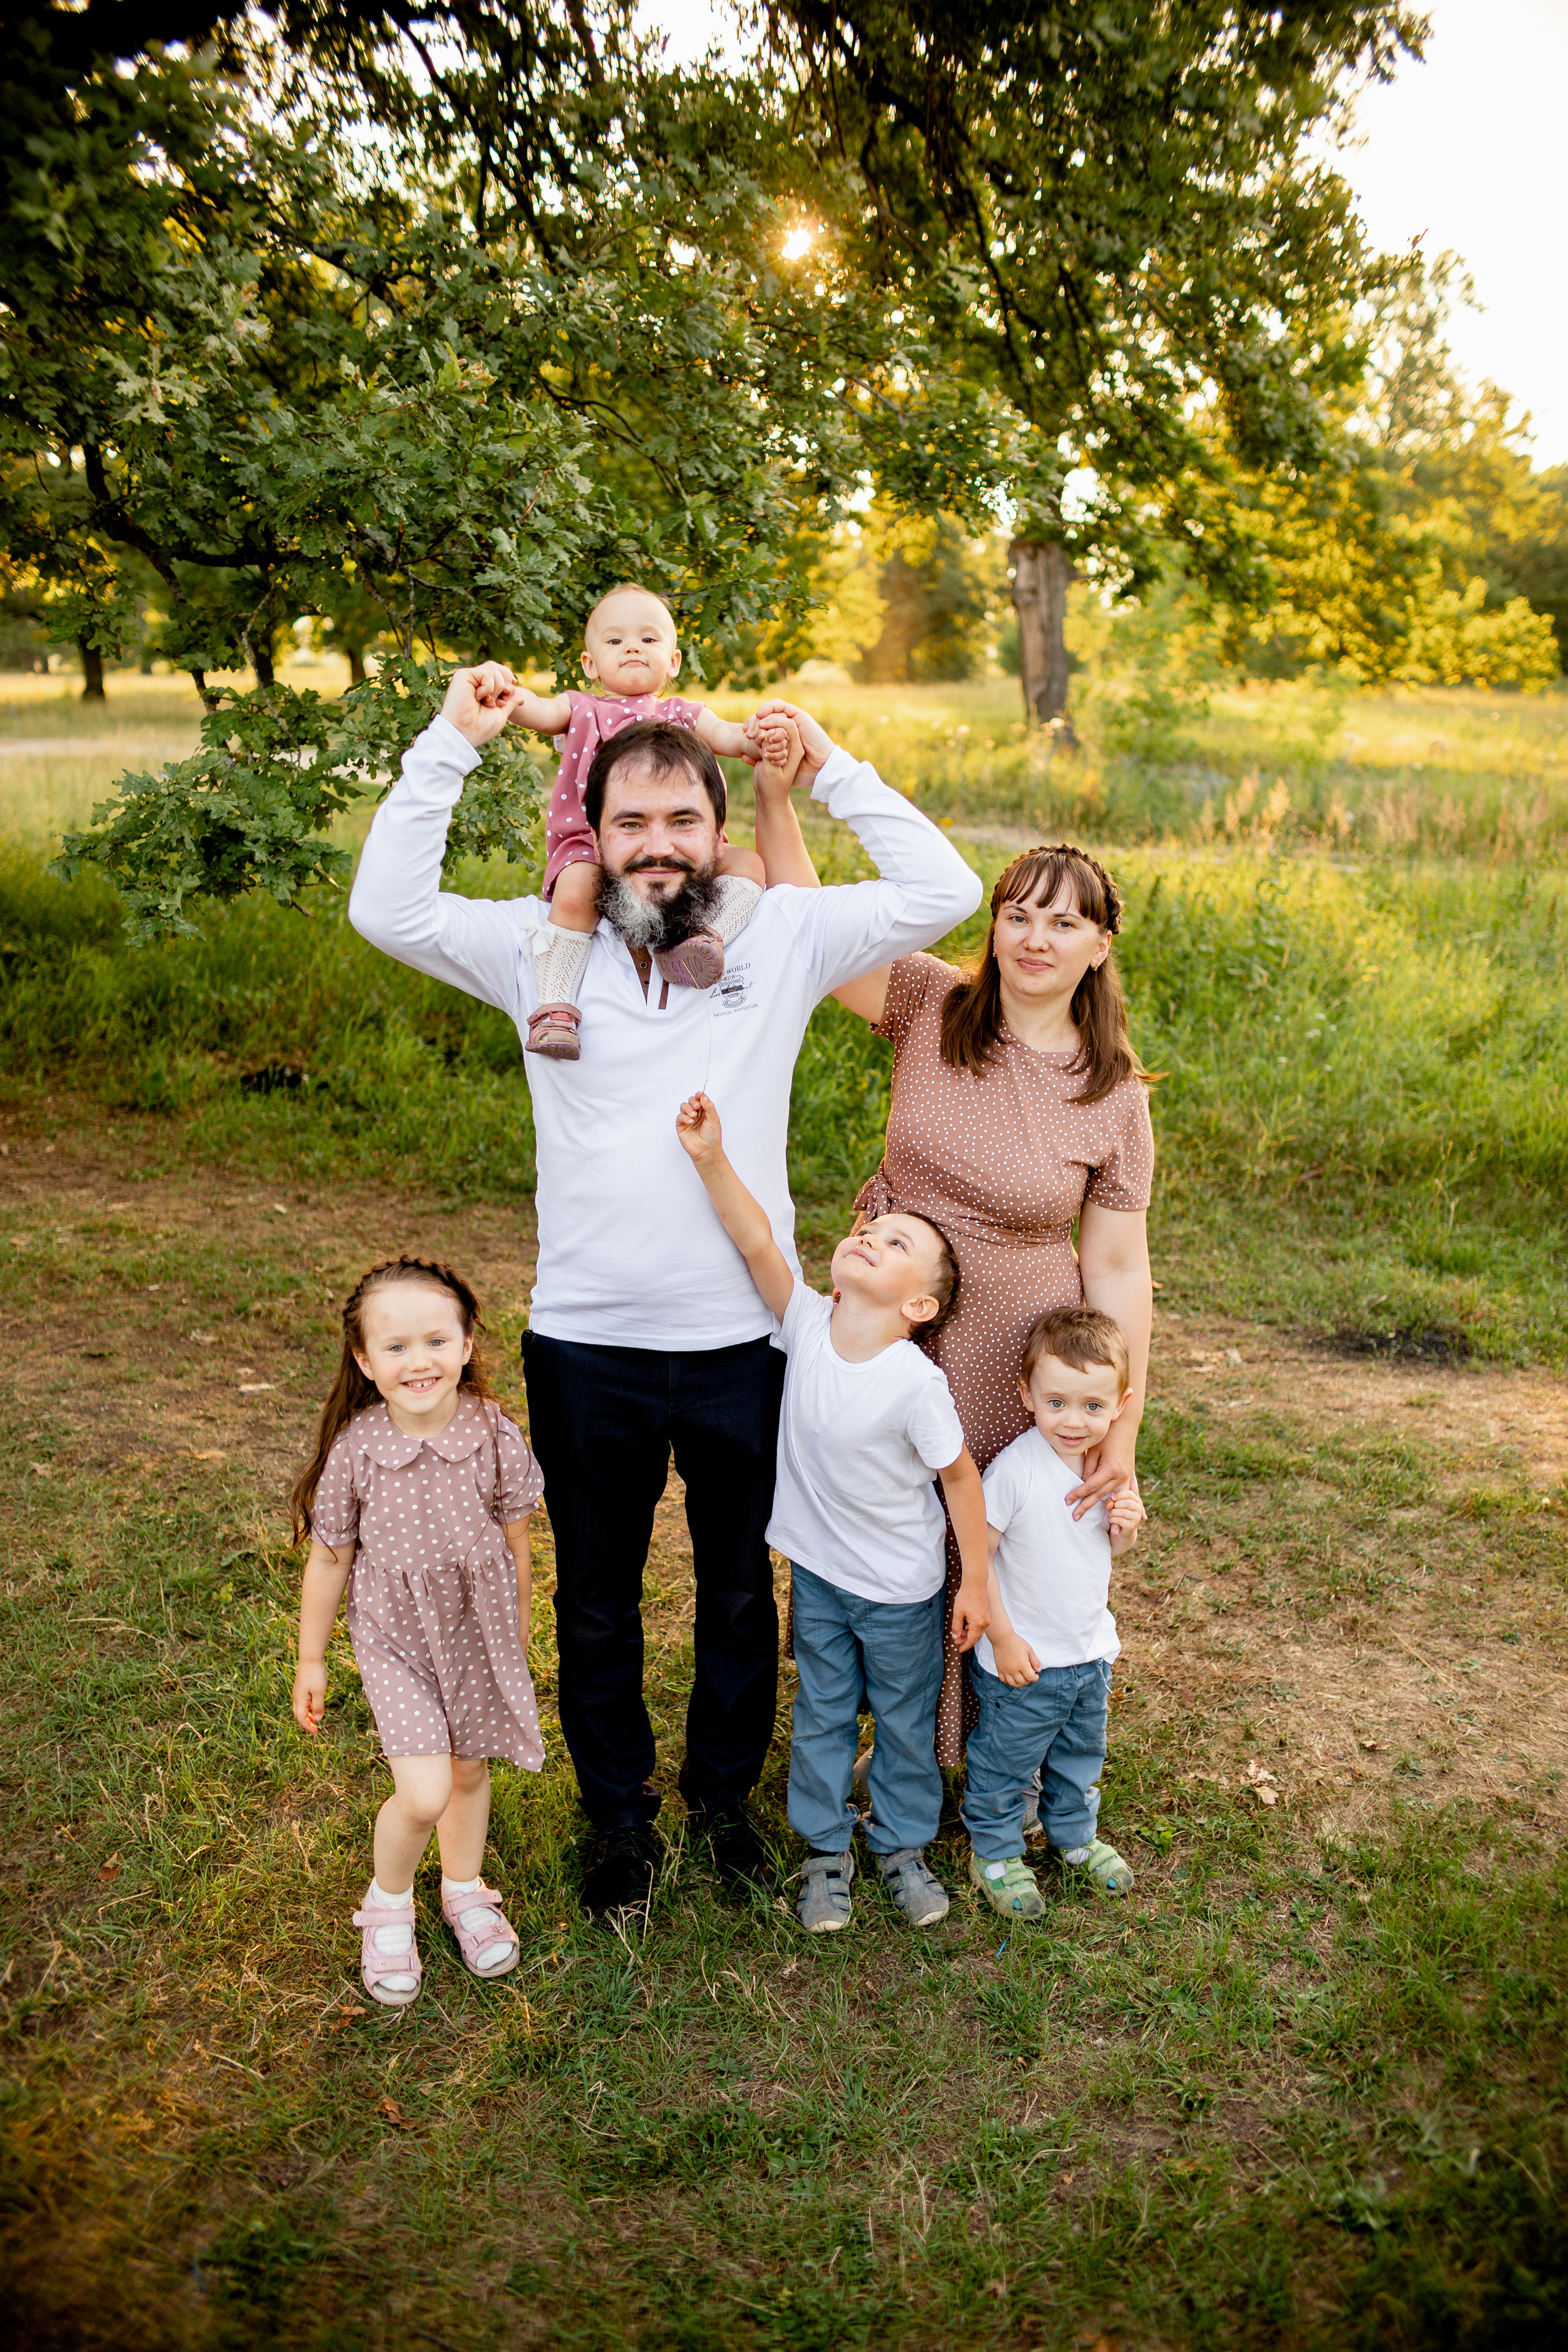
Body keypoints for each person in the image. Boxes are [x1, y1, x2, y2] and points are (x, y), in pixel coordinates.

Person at [348, 676, 982, 1925]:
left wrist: (818, 763)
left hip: (749, 1342)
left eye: (679, 820)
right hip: (587, 1347)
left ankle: (722, 1808)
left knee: (740, 1591)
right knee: (596, 1597)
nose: (656, 846)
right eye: (630, 822)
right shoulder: (544, 952)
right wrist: (452, 745)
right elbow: (384, 907)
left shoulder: (777, 937)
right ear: (593, 830)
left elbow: (944, 890)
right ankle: (620, 1829)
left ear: (711, 829)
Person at [824, 842, 1156, 1770]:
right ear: (994, 925)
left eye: (1064, 922)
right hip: (886, 1313)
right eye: (1019, 914)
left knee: (970, 1524)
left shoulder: (1113, 1093)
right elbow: (814, 926)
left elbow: (1120, 1269)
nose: (1036, 938)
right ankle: (873, 1726)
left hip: (1005, 1337)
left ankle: (964, 1741)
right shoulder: (931, 1001)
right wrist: (777, 797)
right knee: (870, 1509)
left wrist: (1119, 1429)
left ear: (1100, 946)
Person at [674, 1088, 990, 1933]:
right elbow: (756, 1241)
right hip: (817, 1578)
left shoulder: (917, 1385)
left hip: (900, 1592)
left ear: (919, 1307)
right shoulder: (807, 1324)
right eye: (870, 1230)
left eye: (896, 1245)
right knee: (818, 1711)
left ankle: (900, 1846)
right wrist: (710, 1158)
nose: (869, 1236)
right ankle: (823, 1852)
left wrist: (978, 1587)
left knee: (899, 1719)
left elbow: (961, 1480)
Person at [290, 1259, 545, 2005]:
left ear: (466, 1346)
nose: (419, 1360)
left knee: (469, 1770)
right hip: (396, 1639)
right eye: (395, 1347)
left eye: (436, 1340)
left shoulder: (493, 1432)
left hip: (477, 1629)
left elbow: (517, 1541)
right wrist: (312, 1658)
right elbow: (330, 1560)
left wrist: (518, 1628)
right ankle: (388, 1903)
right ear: (366, 1363)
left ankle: (463, 1890)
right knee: (427, 1791)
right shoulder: (358, 1451)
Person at [479, 584, 778, 1058]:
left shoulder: (683, 714)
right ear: (590, 664)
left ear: (674, 662)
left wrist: (756, 738)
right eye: (615, 641)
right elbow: (538, 711)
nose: (633, 647)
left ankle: (702, 940)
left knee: (749, 866)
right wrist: (507, 693)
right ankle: (556, 1007)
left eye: (649, 639)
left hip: (682, 849)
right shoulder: (582, 710)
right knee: (576, 895)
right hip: (589, 843)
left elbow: (727, 735)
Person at [962, 1306, 1145, 1918]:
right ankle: (993, 1848)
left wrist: (1125, 1528)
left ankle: (1073, 1836)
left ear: (1119, 1404)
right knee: (1005, 1760)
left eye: (1093, 1407)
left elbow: (1107, 1546)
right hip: (1026, 1657)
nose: (1074, 1421)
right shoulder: (1015, 1470)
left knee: (1078, 1755)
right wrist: (1004, 1638)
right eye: (1057, 1402)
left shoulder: (1107, 1471)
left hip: (1088, 1650)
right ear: (1027, 1395)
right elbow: (979, 1562)